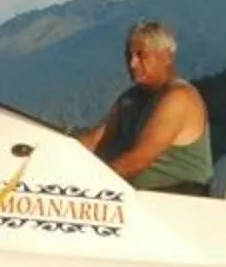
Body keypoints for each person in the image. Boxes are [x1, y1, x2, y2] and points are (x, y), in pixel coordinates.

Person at [80, 17, 213, 193]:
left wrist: (86, 182)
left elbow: (138, 160)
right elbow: (94, 141)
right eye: (129, 56)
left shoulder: (178, 98)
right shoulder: (132, 98)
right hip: (139, 197)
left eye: (141, 55)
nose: (132, 64)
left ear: (166, 56)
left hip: (176, 198)